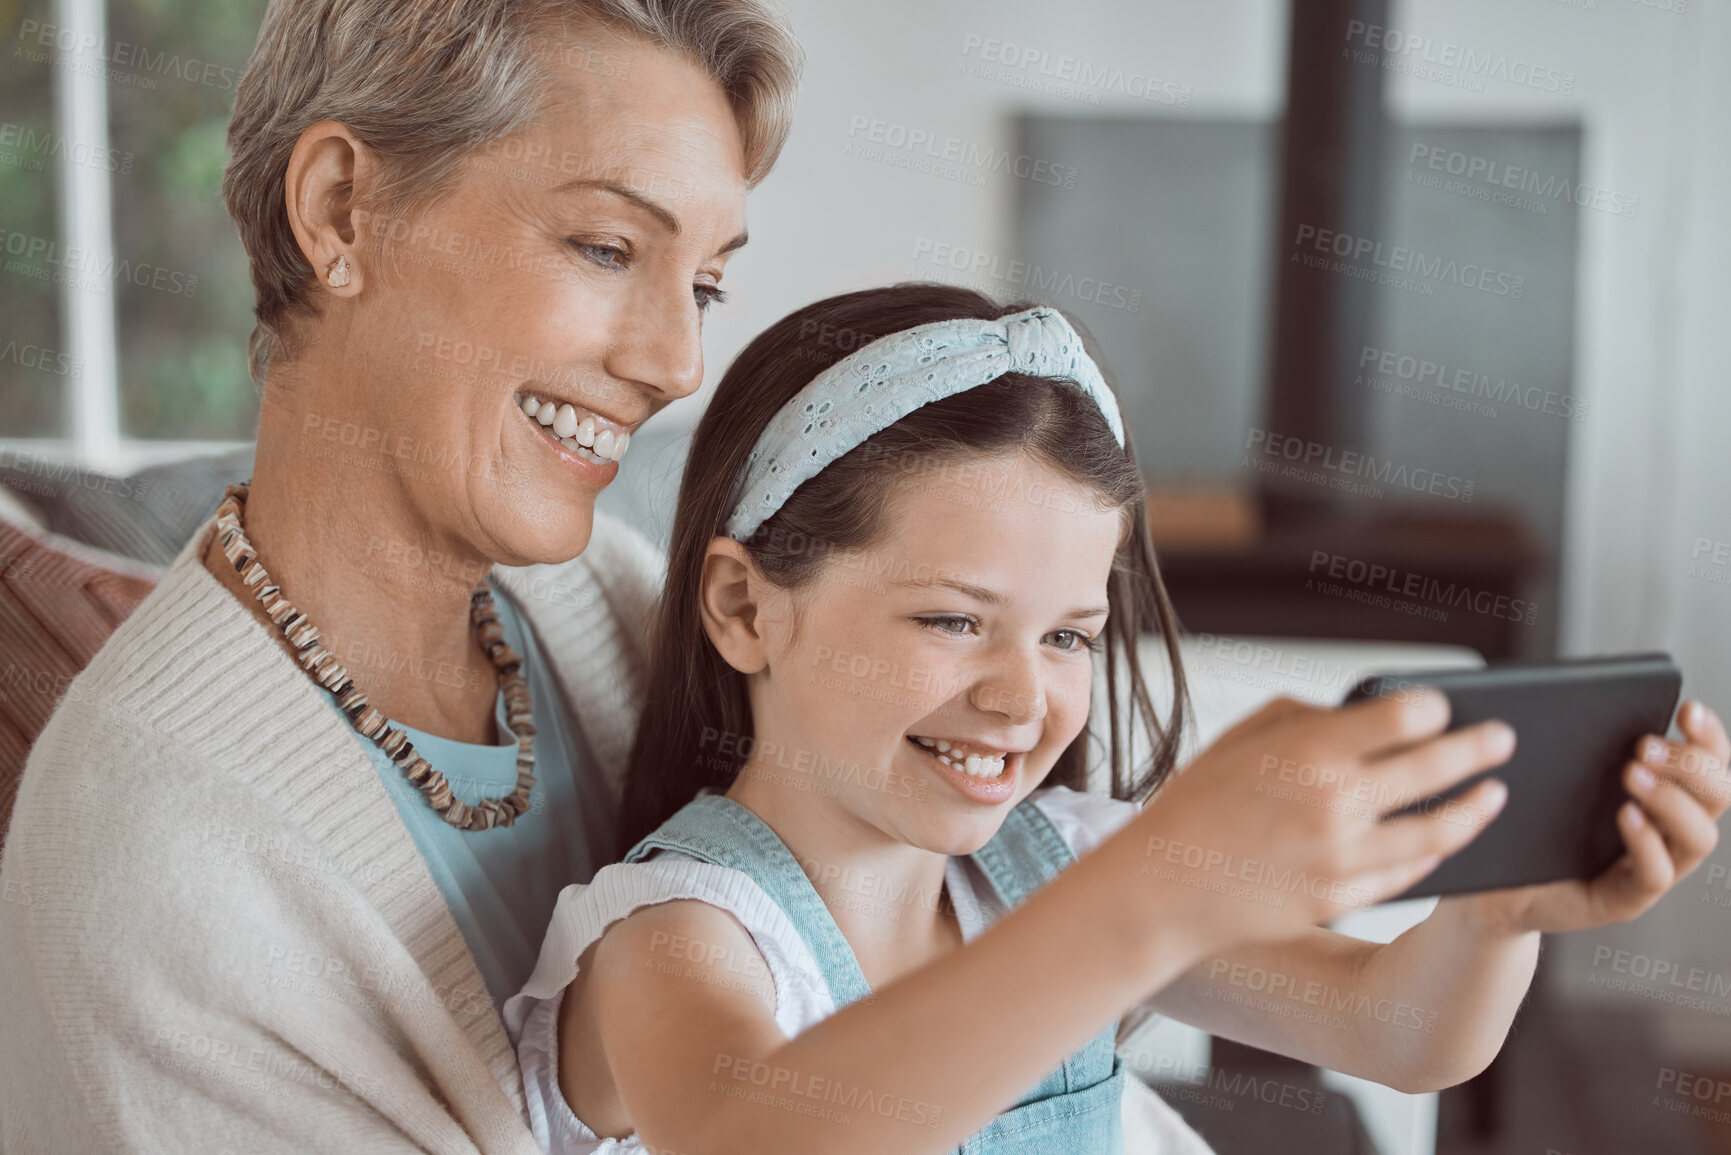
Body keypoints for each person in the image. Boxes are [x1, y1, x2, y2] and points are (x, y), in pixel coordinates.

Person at [503, 284, 1731, 1155]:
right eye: (950, 621)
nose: (1022, 696)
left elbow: (1400, 1030)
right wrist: (1148, 898)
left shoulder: (1056, 867)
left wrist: (1500, 904)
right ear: (743, 606)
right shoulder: (680, 939)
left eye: (1069, 637)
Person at [0, 1, 800, 1151]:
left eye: (706, 286)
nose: (677, 363)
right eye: (606, 248)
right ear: (343, 211)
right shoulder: (158, 862)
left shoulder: (612, 610)